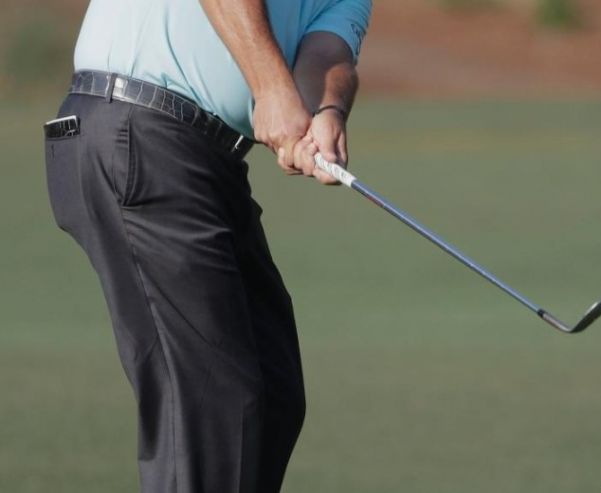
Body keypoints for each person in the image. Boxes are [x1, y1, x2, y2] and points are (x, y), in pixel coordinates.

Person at [42, 0, 371, 491]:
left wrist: (323, 111)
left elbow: (327, 49)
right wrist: (271, 88)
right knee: (217, 400)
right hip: (136, 126)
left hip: (202, 157)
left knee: (272, 383)